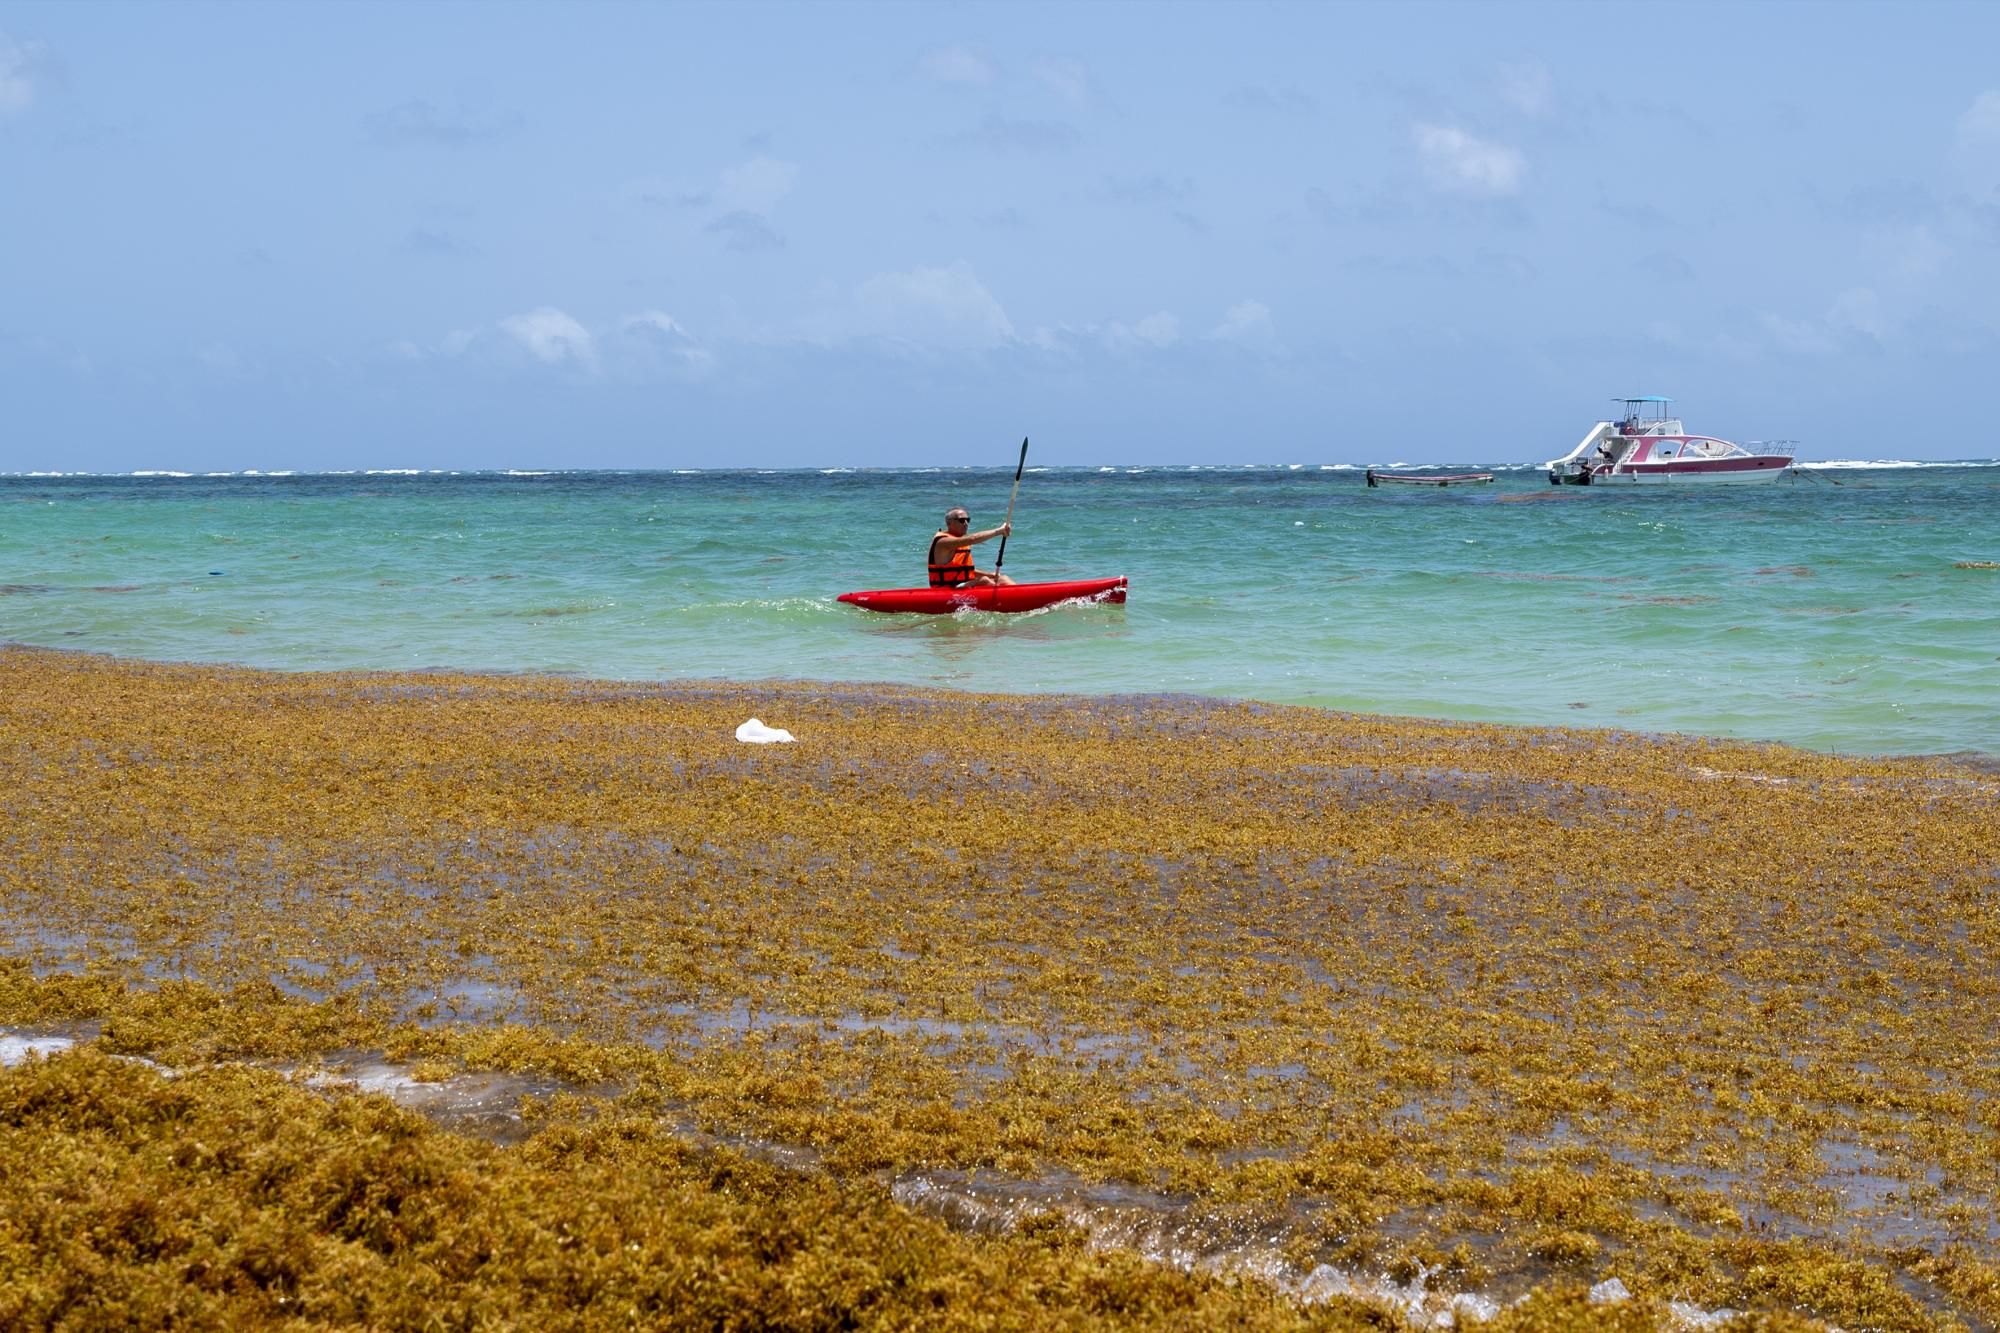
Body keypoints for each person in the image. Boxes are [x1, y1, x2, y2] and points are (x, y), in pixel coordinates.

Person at [928, 507, 1016, 587]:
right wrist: (999, 531)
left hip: (962, 585)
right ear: (949, 523)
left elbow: (965, 571)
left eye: (967, 520)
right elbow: (972, 539)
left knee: (1004, 579)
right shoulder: (943, 542)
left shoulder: (958, 540)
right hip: (945, 590)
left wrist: (991, 575)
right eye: (961, 520)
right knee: (984, 581)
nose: (966, 523)